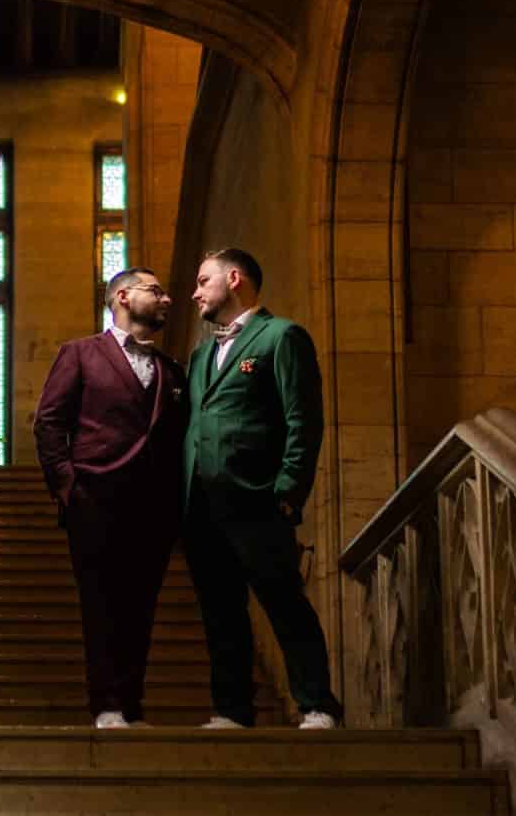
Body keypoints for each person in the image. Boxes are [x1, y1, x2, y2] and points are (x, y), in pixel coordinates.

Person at [181, 247, 343, 729]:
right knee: (221, 612)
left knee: (283, 601)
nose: (195, 292)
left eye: (202, 281)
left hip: (257, 498)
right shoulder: (200, 354)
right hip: (202, 505)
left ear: (234, 279)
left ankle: (316, 705)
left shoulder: (281, 337)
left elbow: (303, 419)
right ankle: (232, 710)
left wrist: (289, 488)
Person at [32, 267, 189, 729]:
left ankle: (131, 705)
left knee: (141, 608)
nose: (166, 300)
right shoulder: (79, 354)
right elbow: (49, 424)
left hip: (154, 509)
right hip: (94, 499)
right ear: (122, 295)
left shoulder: (171, 369)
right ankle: (106, 705)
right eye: (155, 291)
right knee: (100, 605)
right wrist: (68, 488)